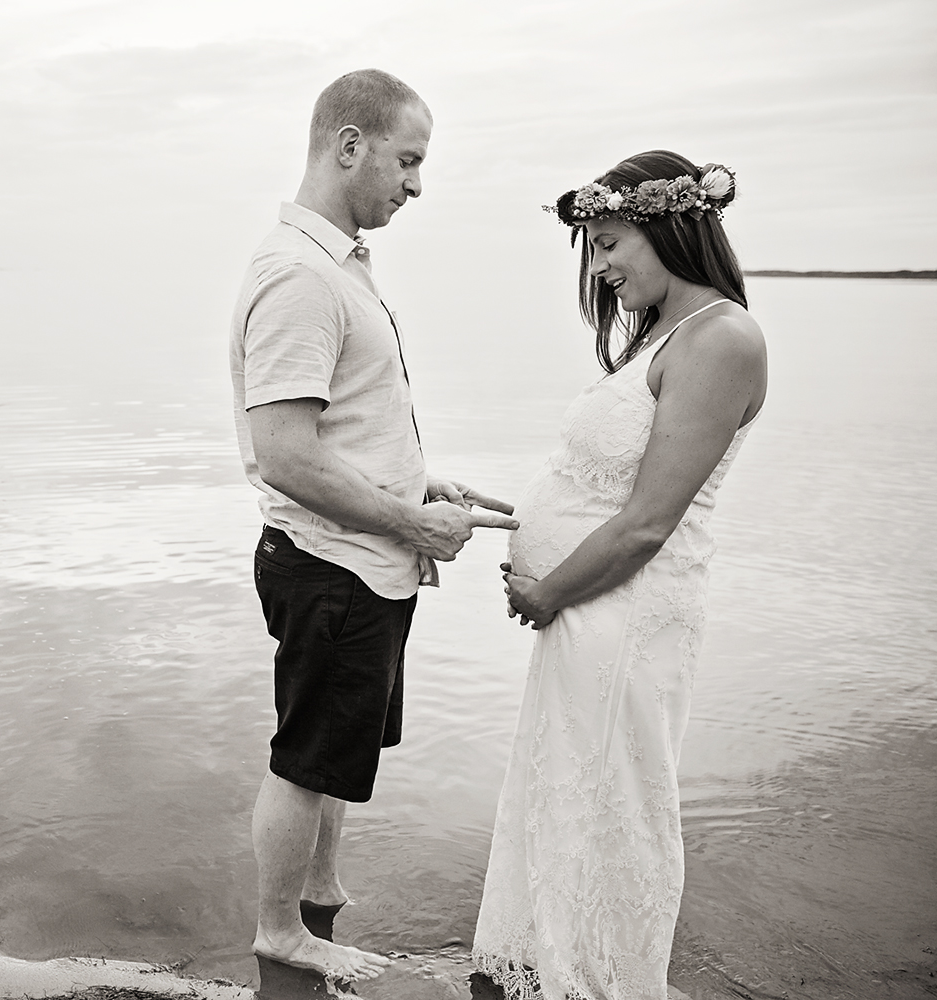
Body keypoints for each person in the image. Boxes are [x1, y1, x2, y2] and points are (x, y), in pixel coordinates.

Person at [229, 69, 519, 983]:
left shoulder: (337, 266)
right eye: (407, 159)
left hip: (358, 558)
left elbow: (338, 424)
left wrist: (416, 480)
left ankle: (319, 885)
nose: (416, 184)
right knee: (305, 757)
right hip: (330, 563)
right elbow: (282, 451)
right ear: (348, 145)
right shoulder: (299, 276)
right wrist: (411, 522)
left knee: (338, 748)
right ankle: (281, 930)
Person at [471, 150, 767, 1000]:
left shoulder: (723, 339)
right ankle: (551, 964)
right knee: (567, 791)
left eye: (607, 244)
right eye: (591, 249)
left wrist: (545, 589)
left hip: (624, 612)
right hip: (593, 614)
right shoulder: (668, 335)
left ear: (671, 226)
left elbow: (645, 522)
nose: (599, 269)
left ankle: (608, 980)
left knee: (618, 802)